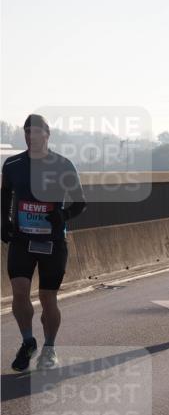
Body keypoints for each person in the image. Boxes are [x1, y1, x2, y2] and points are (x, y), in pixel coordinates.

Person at [2, 115, 86, 371]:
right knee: (19, 291)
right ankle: (28, 341)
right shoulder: (13, 164)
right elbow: (4, 196)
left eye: (36, 132)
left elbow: (80, 202)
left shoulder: (62, 165)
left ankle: (49, 348)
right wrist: (4, 222)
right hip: (22, 239)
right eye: (27, 132)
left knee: (48, 298)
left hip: (52, 242)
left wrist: (63, 215)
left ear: (47, 134)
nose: (31, 136)